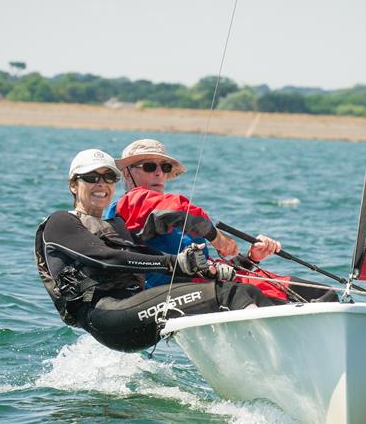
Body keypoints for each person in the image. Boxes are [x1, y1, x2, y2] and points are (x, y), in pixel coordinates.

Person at [35, 148, 282, 353]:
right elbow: (107, 259)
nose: (101, 184)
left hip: (138, 315)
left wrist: (234, 263)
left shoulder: (116, 227)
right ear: (73, 186)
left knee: (246, 290)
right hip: (107, 317)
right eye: (91, 177)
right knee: (229, 295)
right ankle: (276, 359)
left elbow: (153, 258)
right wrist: (174, 262)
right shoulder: (60, 222)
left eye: (108, 178)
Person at [107, 139, 337, 303]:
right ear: (127, 173)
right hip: (178, 294)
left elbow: (209, 266)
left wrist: (249, 258)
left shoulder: (175, 215)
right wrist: (217, 237)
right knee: (311, 296)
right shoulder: (131, 201)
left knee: (321, 293)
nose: (159, 173)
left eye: (164, 167)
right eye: (149, 166)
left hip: (207, 285)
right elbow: (175, 210)